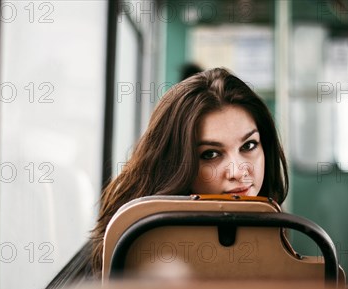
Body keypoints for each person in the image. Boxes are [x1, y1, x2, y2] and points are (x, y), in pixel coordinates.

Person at [90, 67, 289, 275]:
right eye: (210, 154)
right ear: (175, 165)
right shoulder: (147, 247)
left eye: (249, 146)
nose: (238, 172)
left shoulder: (274, 225)